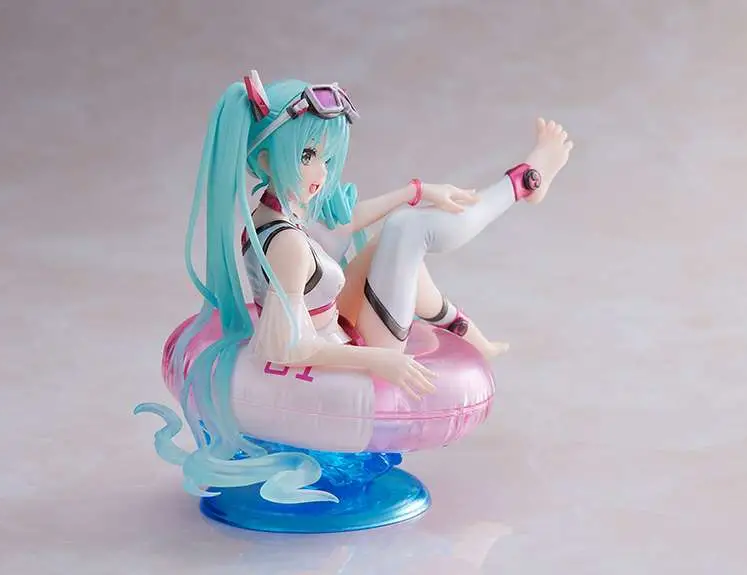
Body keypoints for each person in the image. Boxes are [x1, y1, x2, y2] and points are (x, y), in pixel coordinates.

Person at [137, 70, 574, 503]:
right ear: (266, 161)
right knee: (407, 230)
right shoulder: (287, 244)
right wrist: (380, 361)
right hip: (343, 348)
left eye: (326, 158)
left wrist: (418, 190)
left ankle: (470, 330)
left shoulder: (272, 216)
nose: (320, 172)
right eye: (308, 155)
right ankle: (522, 182)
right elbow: (282, 348)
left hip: (336, 322)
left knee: (396, 233)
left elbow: (339, 226)